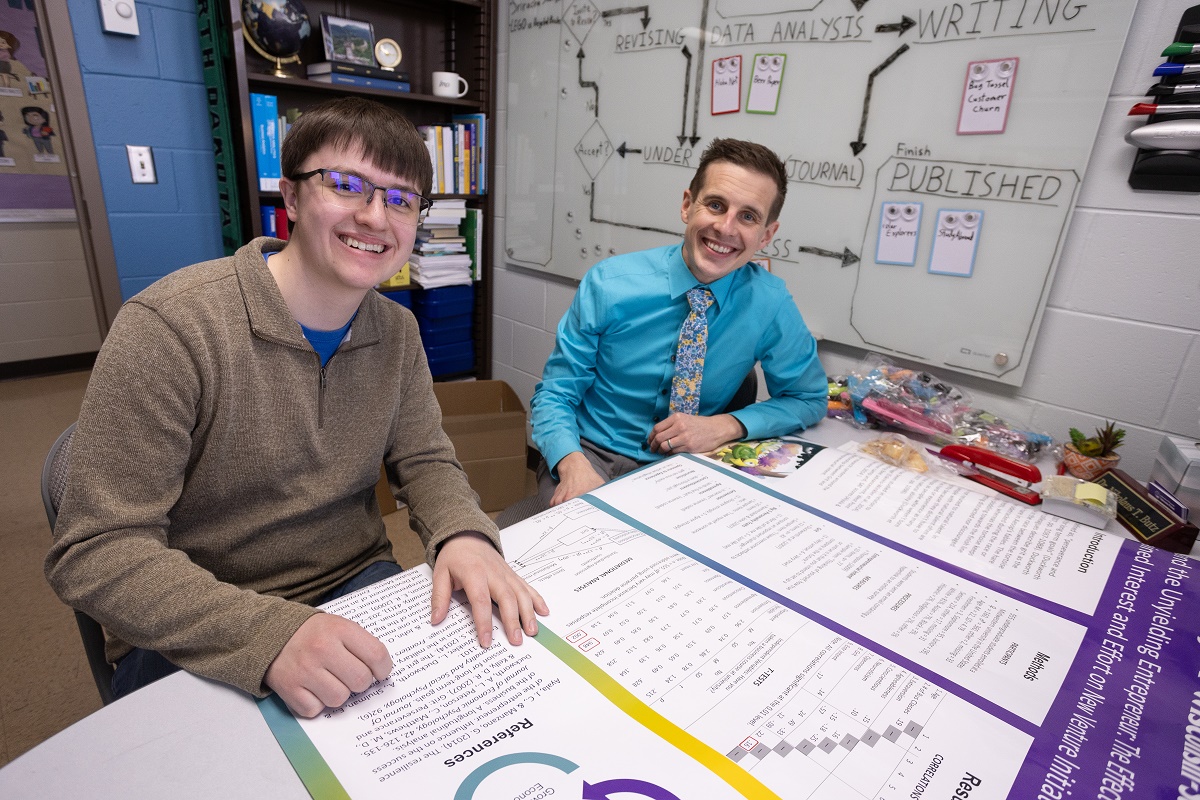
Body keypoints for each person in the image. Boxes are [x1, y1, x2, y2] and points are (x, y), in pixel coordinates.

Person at [45, 97, 547, 718]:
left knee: (478, 704)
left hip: (352, 584)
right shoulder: (169, 327)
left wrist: (463, 535)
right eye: (346, 184)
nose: (375, 216)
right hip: (198, 620)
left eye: (401, 199)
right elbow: (95, 550)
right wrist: (269, 635)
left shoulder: (397, 332)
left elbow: (425, 460)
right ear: (290, 196)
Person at [523, 138, 826, 514]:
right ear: (687, 205)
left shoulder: (771, 303)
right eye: (716, 205)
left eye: (748, 216)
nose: (726, 228)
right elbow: (555, 395)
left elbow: (808, 399)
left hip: (691, 464)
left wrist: (725, 426)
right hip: (591, 453)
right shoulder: (609, 284)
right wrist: (572, 466)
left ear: (766, 235)